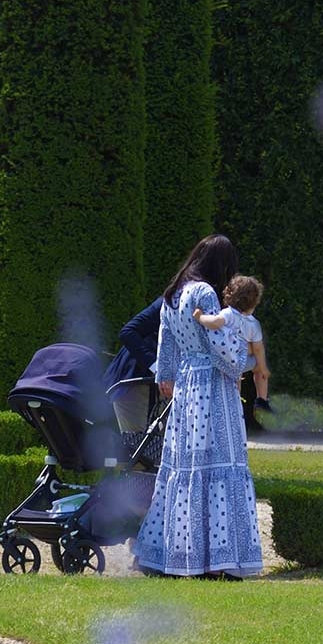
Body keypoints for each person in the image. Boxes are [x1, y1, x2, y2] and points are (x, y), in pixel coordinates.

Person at [132, 235, 262, 579]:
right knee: (221, 461)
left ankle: (173, 555)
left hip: (187, 388)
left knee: (186, 468)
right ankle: (218, 560)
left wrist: (169, 377)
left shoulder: (173, 294)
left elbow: (166, 347)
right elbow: (223, 349)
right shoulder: (204, 292)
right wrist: (249, 361)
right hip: (212, 386)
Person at [193, 275, 273, 415]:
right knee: (256, 369)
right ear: (253, 303)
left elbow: (214, 323)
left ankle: (234, 403)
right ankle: (261, 398)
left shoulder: (227, 314)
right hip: (240, 362)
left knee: (235, 374)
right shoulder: (253, 323)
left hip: (222, 361)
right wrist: (263, 367)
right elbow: (258, 348)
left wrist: (200, 317)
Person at [103, 298, 163, 433]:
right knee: (136, 445)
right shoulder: (170, 301)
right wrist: (156, 368)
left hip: (158, 386)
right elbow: (128, 332)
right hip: (135, 381)